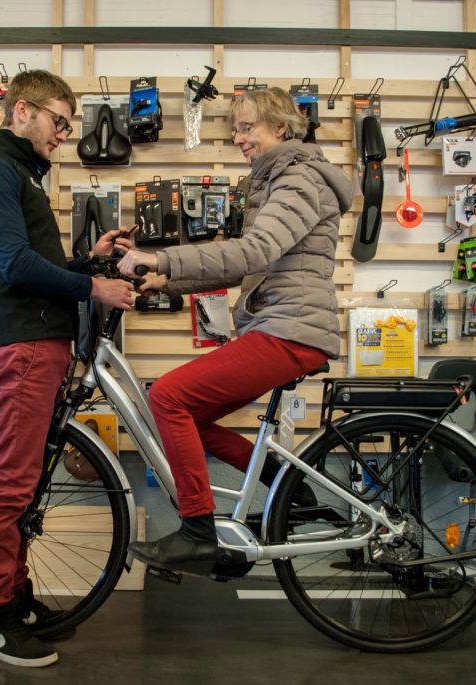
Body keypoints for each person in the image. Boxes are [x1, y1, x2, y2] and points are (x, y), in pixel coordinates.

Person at [119, 86, 355, 572]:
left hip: (291, 330)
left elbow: (253, 253)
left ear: (282, 129)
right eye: (235, 131)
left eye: (247, 128)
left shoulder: (298, 180)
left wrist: (162, 254)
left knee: (168, 397)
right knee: (190, 418)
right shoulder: (273, 182)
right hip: (280, 326)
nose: (239, 139)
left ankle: (197, 532)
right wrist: (169, 277)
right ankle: (285, 483)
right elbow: (245, 267)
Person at [0, 69, 135, 668]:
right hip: (26, 344)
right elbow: (14, 267)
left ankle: (15, 596)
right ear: (21, 111)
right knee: (12, 486)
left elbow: (32, 261)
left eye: (68, 124)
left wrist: (89, 259)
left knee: (24, 485)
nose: (64, 133)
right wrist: (93, 287)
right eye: (58, 120)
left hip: (39, 342)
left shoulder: (18, 175)